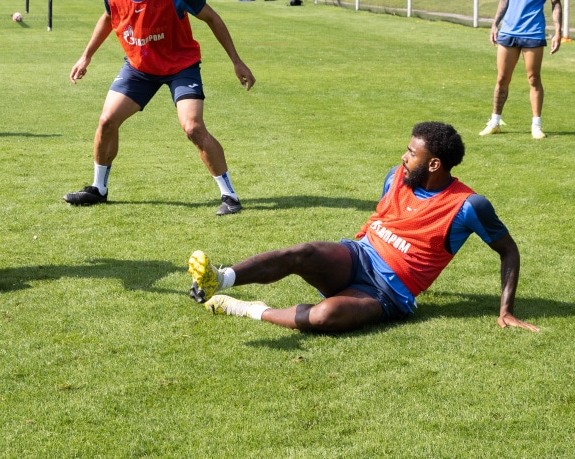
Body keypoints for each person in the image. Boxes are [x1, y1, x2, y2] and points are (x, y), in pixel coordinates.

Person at [187, 122, 539, 334]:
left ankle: (246, 308)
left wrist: (505, 309)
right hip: (359, 256)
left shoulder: (469, 205)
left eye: (411, 153)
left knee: (326, 316)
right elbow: (387, 218)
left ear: (434, 163)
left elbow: (508, 250)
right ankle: (221, 278)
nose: (404, 157)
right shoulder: (396, 176)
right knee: (304, 252)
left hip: (388, 292)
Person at [64, 0, 256, 216]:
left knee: (193, 127)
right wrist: (86, 56)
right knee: (106, 121)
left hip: (181, 66)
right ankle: (99, 189)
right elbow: (109, 16)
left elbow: (212, 18)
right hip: (139, 68)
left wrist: (237, 62)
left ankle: (229, 196)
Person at [480, 0, 563, 140]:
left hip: (533, 33)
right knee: (501, 79)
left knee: (533, 78)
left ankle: (536, 125)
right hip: (508, 31)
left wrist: (558, 31)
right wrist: (495, 23)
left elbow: (555, 3)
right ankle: (495, 121)